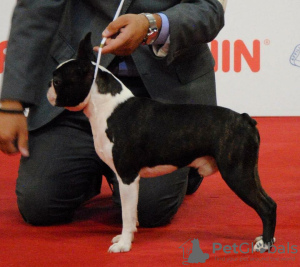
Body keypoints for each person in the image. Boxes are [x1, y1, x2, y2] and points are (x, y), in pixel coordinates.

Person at [0, 1, 225, 227]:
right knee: (39, 204)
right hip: (78, 89)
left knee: (149, 210)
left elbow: (209, 9)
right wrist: (11, 102)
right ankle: (100, 169)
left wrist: (152, 25)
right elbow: (35, 10)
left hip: (160, 97)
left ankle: (186, 163)